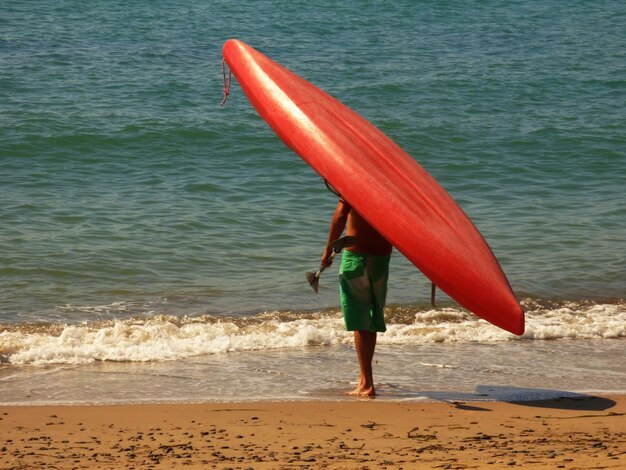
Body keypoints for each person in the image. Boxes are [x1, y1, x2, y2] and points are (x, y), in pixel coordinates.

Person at [321, 197, 392, 397]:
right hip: (381, 260)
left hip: (356, 259)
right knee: (370, 319)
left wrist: (328, 248)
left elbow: (341, 214)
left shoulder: (354, 180)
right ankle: (364, 377)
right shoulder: (389, 187)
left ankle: (367, 383)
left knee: (360, 322)